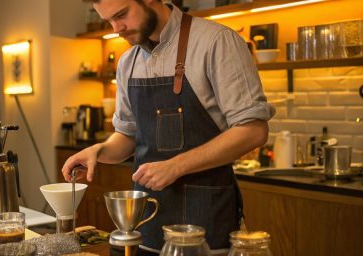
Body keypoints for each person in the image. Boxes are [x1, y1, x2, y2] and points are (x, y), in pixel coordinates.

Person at [62, 0, 275, 254]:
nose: (117, 28)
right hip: (145, 224)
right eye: (109, 20)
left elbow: (253, 130)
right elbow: (127, 136)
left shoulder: (216, 42)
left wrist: (176, 166)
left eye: (122, 15)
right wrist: (99, 151)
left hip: (203, 223)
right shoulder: (128, 62)